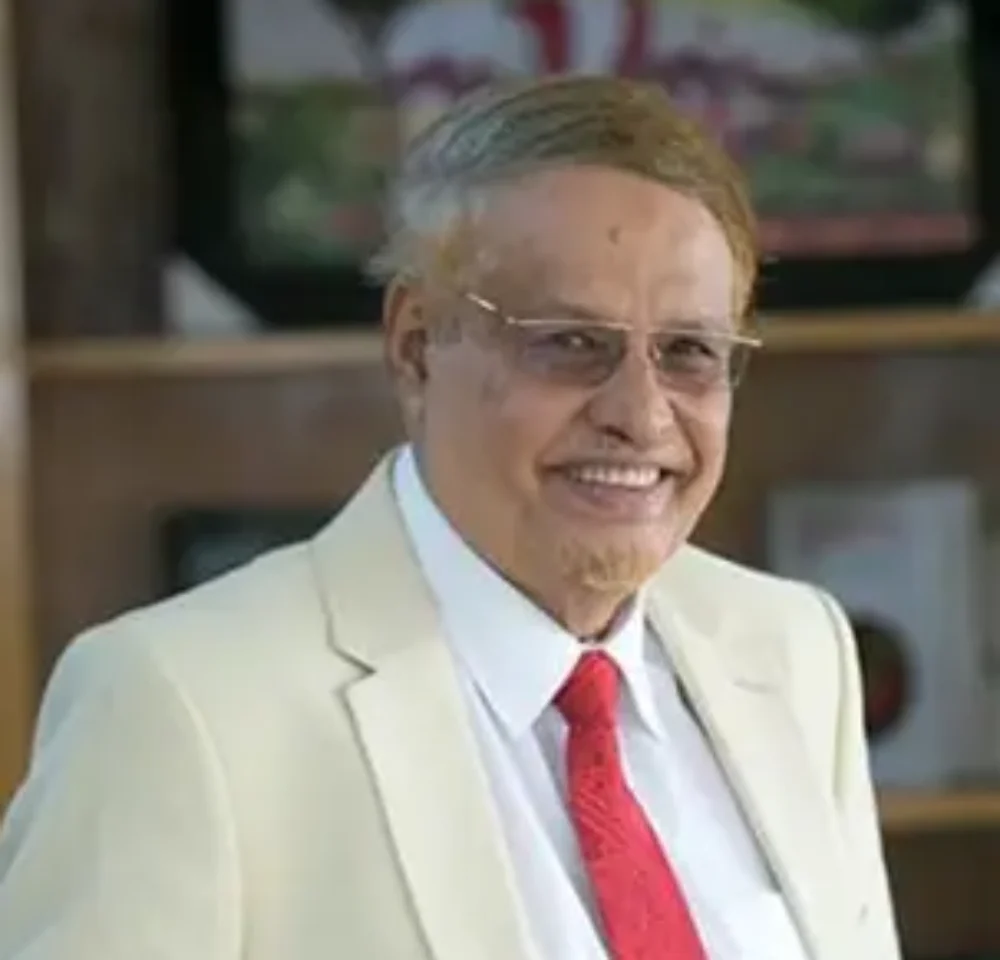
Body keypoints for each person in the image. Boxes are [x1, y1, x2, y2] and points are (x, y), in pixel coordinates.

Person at [0, 75, 899, 960]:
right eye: (570, 342)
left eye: (690, 352)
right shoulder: (174, 705)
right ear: (417, 347)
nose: (641, 414)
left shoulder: (795, 649)